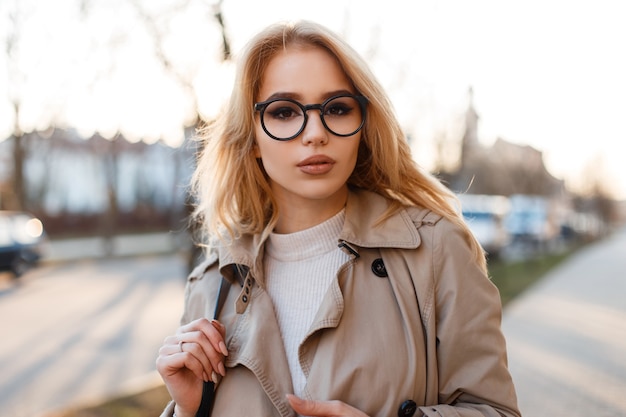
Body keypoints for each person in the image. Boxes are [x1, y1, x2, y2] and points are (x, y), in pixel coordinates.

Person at [156, 20, 521, 417]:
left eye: (337, 108)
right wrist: (189, 410)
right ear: (252, 139)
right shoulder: (212, 284)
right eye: (283, 111)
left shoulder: (435, 250)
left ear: (361, 126)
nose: (315, 132)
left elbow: (495, 410)